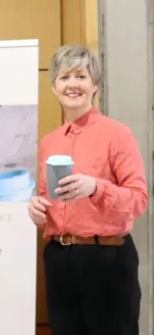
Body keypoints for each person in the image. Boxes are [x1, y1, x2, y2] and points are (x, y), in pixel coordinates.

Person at [28, 44, 148, 335]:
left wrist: (96, 188)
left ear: (95, 85)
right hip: (58, 257)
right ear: (54, 87)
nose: (72, 84)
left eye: (81, 76)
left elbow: (139, 200)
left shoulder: (117, 134)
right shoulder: (50, 141)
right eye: (64, 77)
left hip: (106, 259)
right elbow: (49, 198)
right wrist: (37, 209)